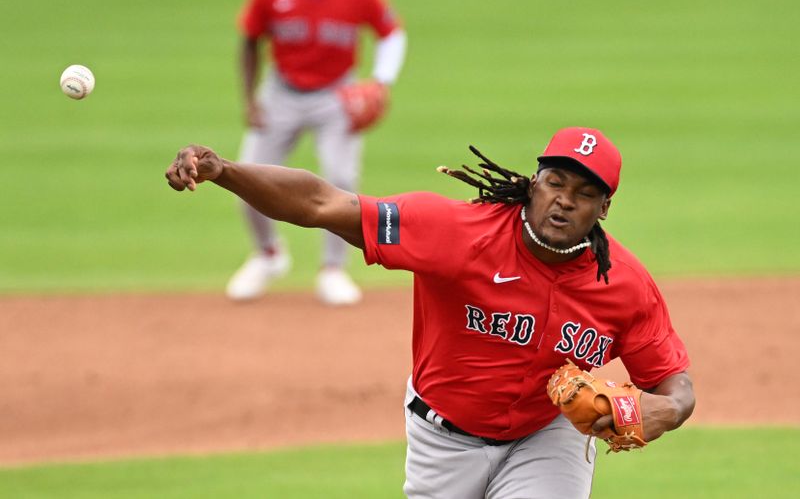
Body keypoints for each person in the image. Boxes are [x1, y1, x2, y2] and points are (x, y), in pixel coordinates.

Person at [165, 127, 695, 498]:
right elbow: (322, 204)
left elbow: (677, 388)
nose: (564, 201)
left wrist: (663, 412)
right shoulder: (456, 232)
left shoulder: (624, 284)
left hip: (546, 435)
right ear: (535, 183)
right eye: (556, 182)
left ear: (604, 209)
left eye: (584, 193)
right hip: (443, 439)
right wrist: (225, 170)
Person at [228, 0, 407, 304]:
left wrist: (381, 82)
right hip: (280, 92)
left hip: (337, 95)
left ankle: (333, 269)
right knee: (245, 175)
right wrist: (251, 100)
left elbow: (392, 32)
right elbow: (250, 41)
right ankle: (267, 255)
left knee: (341, 180)